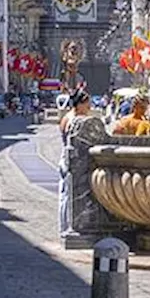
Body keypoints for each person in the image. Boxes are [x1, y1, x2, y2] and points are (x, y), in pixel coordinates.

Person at [58, 89, 90, 237]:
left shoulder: (68, 117)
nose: (89, 107)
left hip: (65, 158)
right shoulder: (74, 120)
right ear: (80, 104)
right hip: (71, 160)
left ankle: (64, 226)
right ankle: (68, 227)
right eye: (87, 103)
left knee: (65, 193)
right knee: (70, 194)